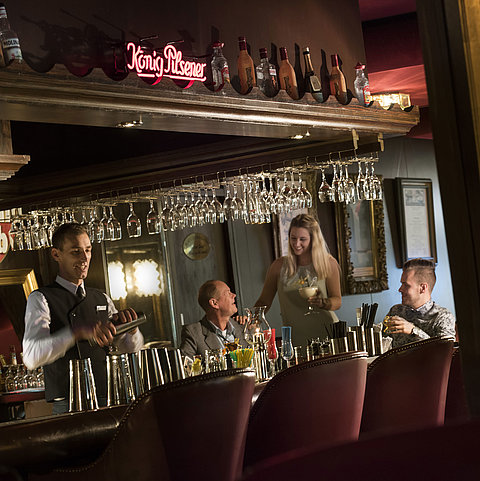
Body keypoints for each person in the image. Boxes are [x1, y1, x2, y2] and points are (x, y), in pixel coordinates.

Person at [23, 223, 144, 414]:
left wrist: (131, 331)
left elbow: (126, 349)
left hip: (108, 397)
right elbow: (31, 357)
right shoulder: (41, 298)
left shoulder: (101, 297)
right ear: (56, 255)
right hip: (69, 404)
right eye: (75, 252)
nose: (84, 258)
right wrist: (77, 332)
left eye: (88, 250)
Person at [255, 213, 341, 348]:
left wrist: (324, 303)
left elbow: (337, 300)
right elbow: (264, 302)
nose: (296, 244)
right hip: (296, 339)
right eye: (293, 238)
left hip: (327, 335)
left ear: (313, 240)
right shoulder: (278, 266)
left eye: (303, 239)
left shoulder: (328, 263)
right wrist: (252, 318)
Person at [384, 258, 456, 347]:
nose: (400, 289)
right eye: (401, 284)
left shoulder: (443, 317)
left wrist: (413, 331)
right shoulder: (396, 311)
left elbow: (444, 353)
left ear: (422, 288)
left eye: (406, 285)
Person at [180, 280, 248, 358]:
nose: (234, 295)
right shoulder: (194, 333)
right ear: (214, 303)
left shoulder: (242, 325)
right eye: (228, 293)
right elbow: (185, 366)